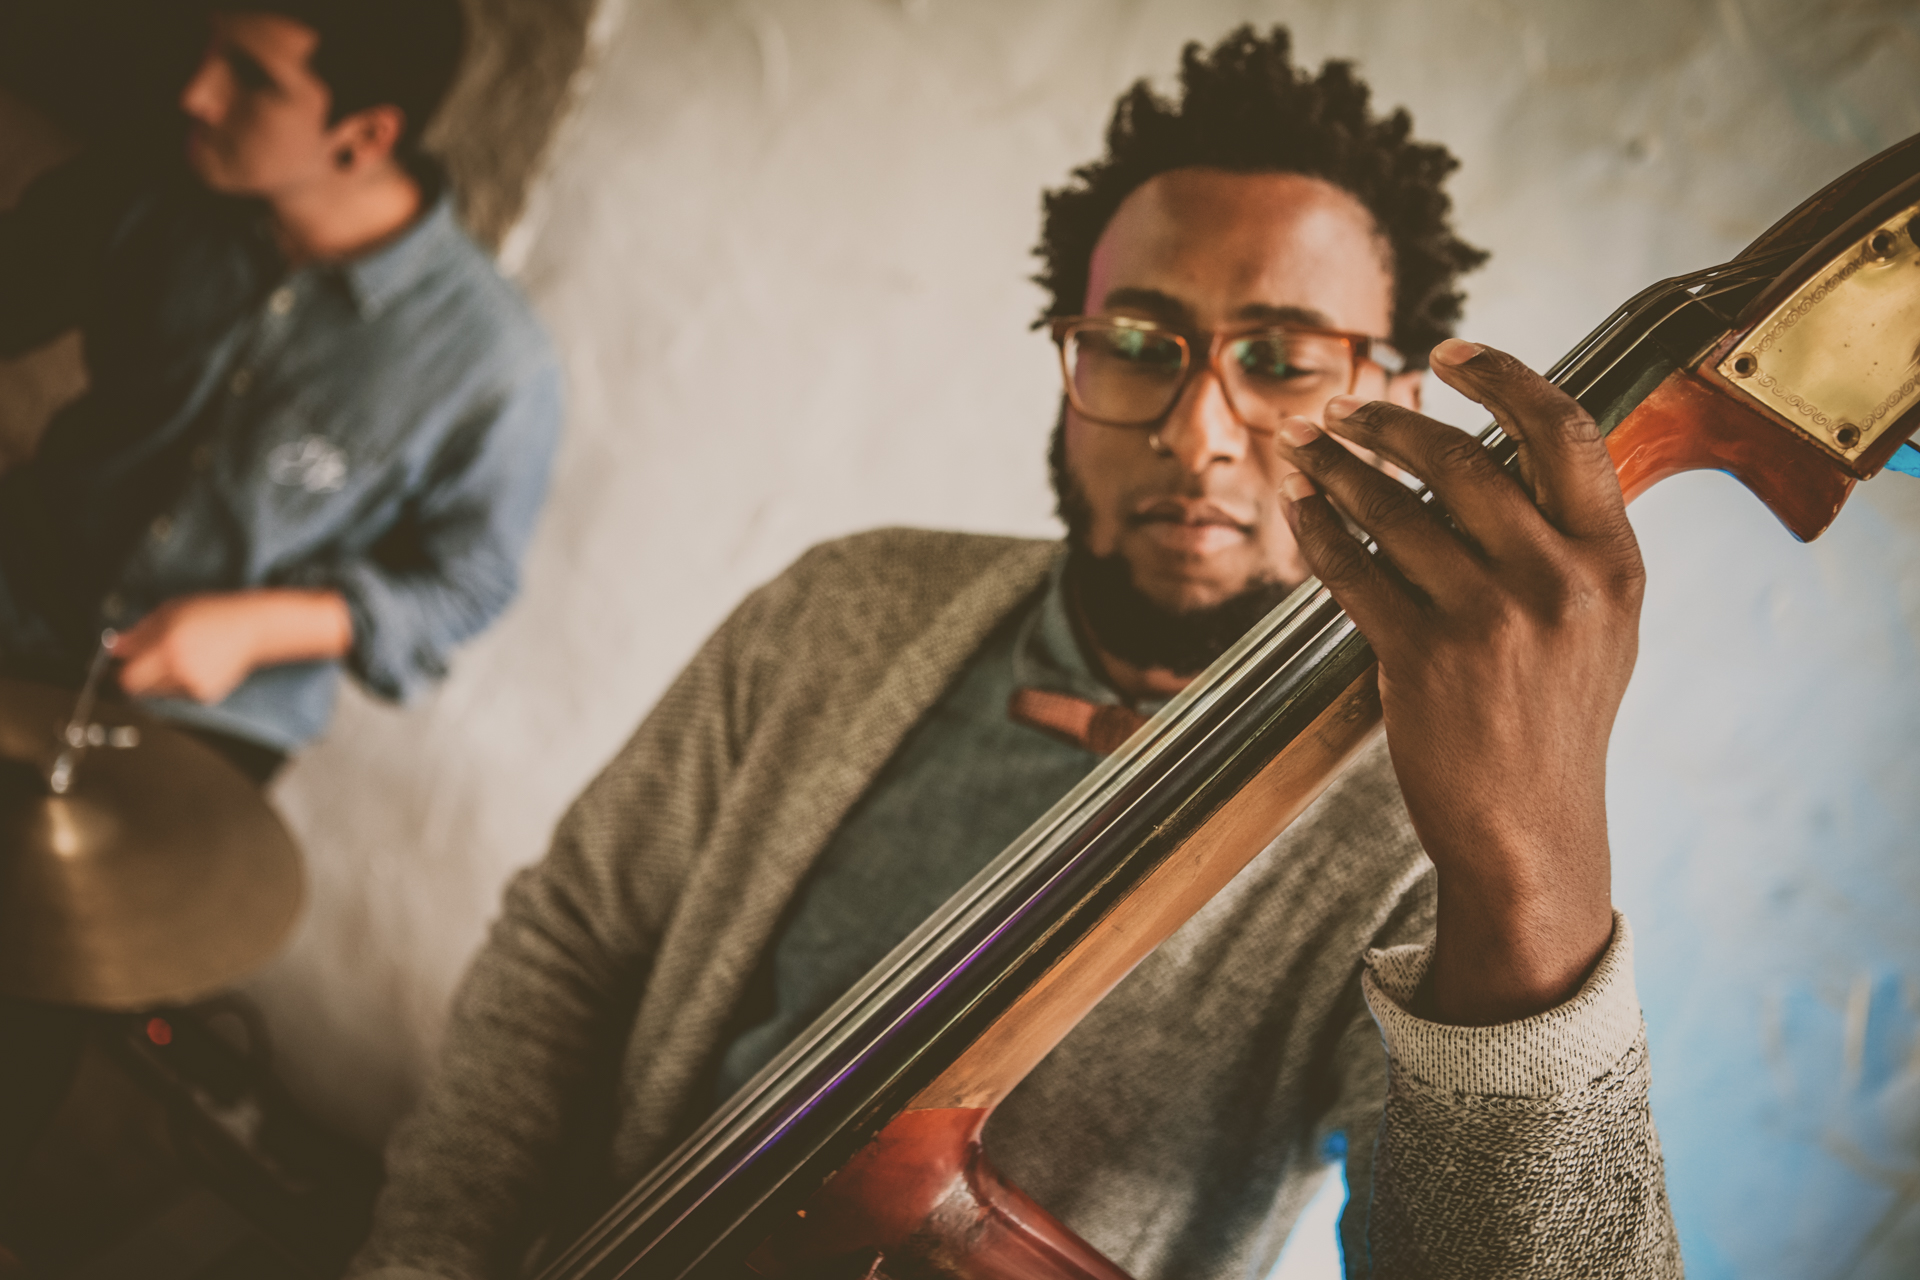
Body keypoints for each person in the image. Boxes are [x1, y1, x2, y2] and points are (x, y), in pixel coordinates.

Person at [352, 27, 1677, 1280]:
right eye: (1138, 346)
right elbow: (575, 938)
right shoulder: (848, 602)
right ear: (1068, 361)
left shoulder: (1420, 826)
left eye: (1281, 361)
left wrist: (1532, 872)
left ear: (1392, 400)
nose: (1197, 433)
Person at [0, 0, 561, 783]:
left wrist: (266, 627)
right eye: (212, 49)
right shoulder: (156, 183)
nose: (198, 93)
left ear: (365, 138)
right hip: (23, 600)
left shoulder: (495, 364)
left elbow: (468, 583)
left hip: (202, 726)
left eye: (252, 79)